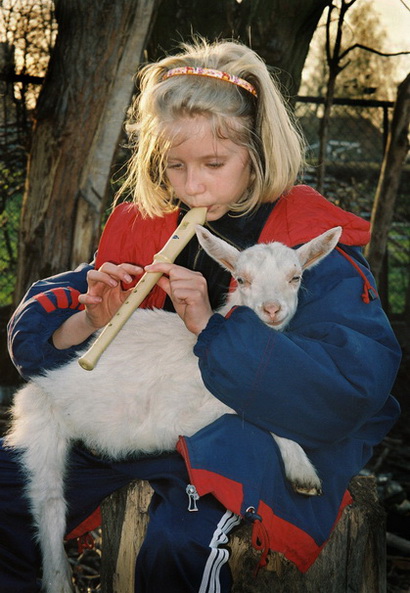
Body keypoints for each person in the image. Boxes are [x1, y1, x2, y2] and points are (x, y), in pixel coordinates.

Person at [1, 38, 401, 593]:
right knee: (9, 491)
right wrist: (93, 319)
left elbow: (351, 387)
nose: (192, 185)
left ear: (256, 154)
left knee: (181, 542)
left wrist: (212, 330)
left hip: (246, 437)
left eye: (214, 163)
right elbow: (40, 342)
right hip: (142, 417)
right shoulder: (150, 227)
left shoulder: (311, 247)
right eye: (175, 165)